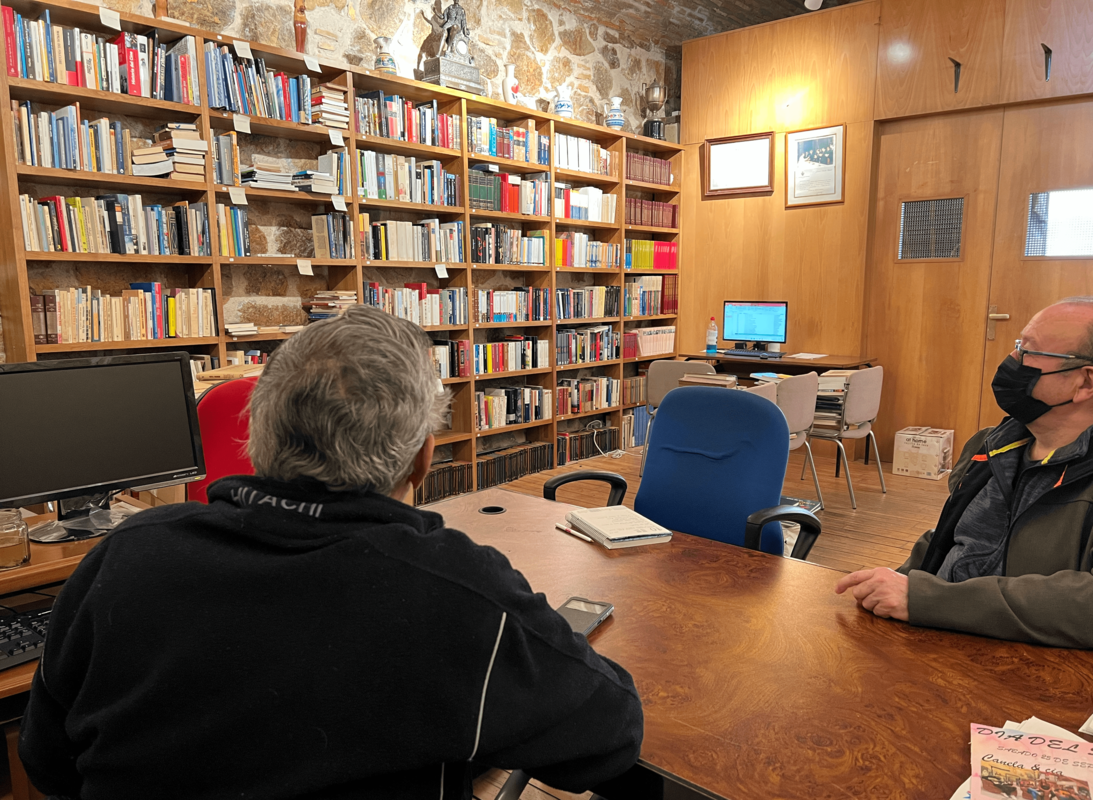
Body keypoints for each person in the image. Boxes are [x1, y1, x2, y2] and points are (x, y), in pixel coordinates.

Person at [18, 306, 645, 798]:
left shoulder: (126, 555)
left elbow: (47, 761)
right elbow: (609, 737)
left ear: (256, 434)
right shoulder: (457, 592)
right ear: (424, 458)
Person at [836, 297, 1093, 649]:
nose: (1012, 362)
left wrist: (927, 600)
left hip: (1024, 671)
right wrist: (894, 584)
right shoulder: (992, 446)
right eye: (1017, 346)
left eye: (1028, 353)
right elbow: (949, 542)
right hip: (932, 642)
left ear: (1086, 383)